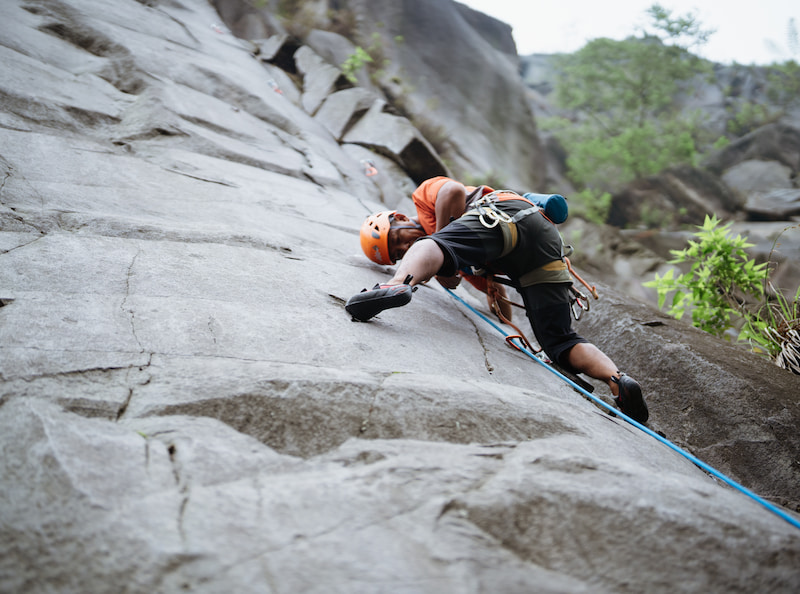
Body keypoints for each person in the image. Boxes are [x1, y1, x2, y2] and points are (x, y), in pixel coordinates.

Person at [347, 176, 648, 424]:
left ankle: (396, 284)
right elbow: (500, 301)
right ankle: (618, 381)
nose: (404, 247)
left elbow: (452, 191)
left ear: (399, 218)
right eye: (398, 254)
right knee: (559, 341)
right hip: (542, 240)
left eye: (397, 238)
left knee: (434, 243)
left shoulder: (423, 200)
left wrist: (441, 242)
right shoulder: (468, 253)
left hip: (500, 214)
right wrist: (480, 289)